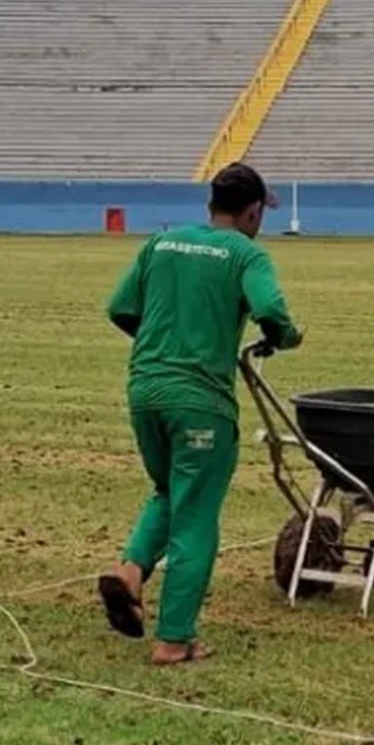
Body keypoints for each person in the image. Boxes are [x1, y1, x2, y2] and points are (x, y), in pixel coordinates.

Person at [96, 163, 304, 665]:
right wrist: (284, 339)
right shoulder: (246, 255)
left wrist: (162, 345)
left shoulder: (162, 243)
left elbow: (120, 309)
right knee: (196, 516)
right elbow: (271, 312)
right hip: (200, 404)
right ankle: (174, 638)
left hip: (145, 391)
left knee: (171, 489)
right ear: (253, 211)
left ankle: (130, 573)